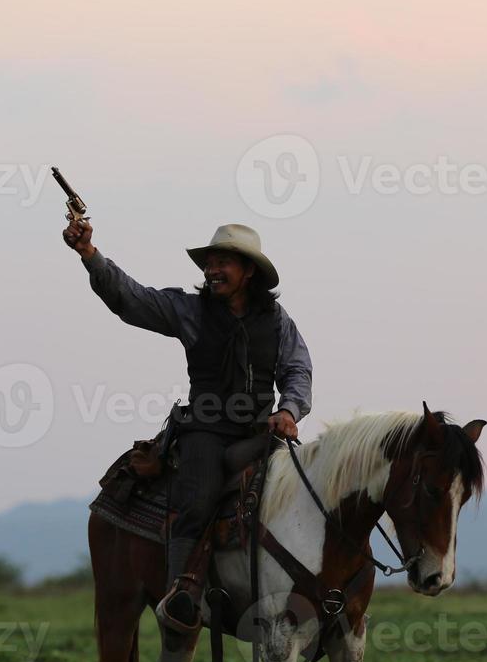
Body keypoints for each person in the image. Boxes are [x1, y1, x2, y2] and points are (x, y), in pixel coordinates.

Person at [64, 219, 313, 632]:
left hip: (259, 434)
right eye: (209, 263)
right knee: (198, 500)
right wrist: (90, 255)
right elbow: (131, 299)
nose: (212, 270)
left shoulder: (277, 319)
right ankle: (181, 594)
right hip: (205, 432)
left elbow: (297, 370)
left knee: (302, 494)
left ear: (248, 271)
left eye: (223, 263)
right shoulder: (189, 309)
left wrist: (288, 410)